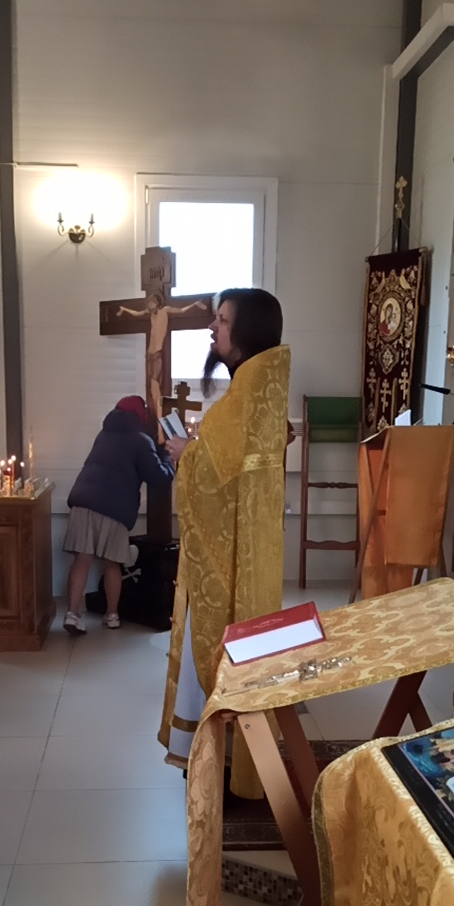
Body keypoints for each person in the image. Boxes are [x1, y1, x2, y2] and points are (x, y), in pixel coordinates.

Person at [158, 287, 290, 799]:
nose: (212, 328)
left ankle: (215, 756)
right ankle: (230, 753)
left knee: (215, 647)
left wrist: (184, 454)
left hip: (224, 560)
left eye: (222, 320)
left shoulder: (241, 402)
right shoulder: (260, 392)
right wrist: (197, 450)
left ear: (246, 331)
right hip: (244, 550)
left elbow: (208, 483)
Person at [63, 395, 174, 635]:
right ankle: (112, 615)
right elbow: (158, 478)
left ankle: (72, 615)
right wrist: (167, 457)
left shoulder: (104, 435)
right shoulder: (141, 440)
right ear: (141, 416)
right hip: (114, 508)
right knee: (113, 562)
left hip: (83, 501)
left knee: (81, 559)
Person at [115, 293, 208, 425]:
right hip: (149, 354)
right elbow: (136, 314)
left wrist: (195, 304)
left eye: (152, 302)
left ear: (157, 302)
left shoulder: (165, 310)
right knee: (152, 391)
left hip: (158, 354)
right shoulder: (150, 314)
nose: (150, 305)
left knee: (157, 390)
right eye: (149, 303)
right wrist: (123, 309)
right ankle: (156, 422)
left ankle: (160, 426)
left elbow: (181, 310)